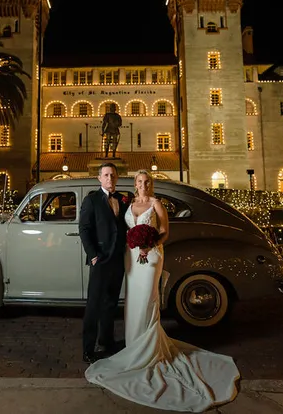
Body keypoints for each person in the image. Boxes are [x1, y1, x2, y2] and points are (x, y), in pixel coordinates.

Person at [85, 169, 241, 412]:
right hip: (131, 258)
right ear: (135, 184)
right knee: (133, 301)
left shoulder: (156, 203)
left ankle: (148, 349)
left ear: (151, 184)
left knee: (148, 299)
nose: (144, 185)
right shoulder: (129, 201)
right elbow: (116, 228)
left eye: (147, 181)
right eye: (140, 181)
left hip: (151, 256)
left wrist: (150, 243)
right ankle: (134, 344)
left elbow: (165, 231)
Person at [79, 162, 132, 364]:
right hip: (100, 259)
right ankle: (88, 349)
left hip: (118, 258)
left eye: (113, 175)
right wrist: (93, 254)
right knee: (94, 305)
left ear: (117, 178)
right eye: (106, 175)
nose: (110, 178)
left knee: (111, 303)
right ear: (99, 178)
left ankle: (107, 341)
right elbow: (84, 228)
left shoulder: (123, 199)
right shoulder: (91, 200)